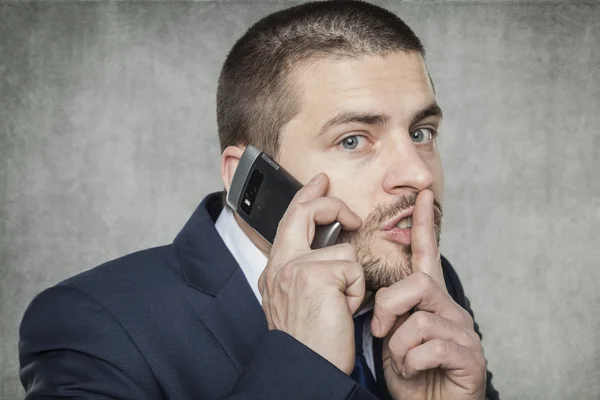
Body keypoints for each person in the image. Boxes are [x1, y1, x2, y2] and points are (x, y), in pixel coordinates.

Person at [19, 1, 500, 399]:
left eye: (421, 132)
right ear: (246, 177)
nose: (419, 175)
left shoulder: (426, 284)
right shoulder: (93, 326)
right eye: (353, 140)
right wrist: (300, 368)